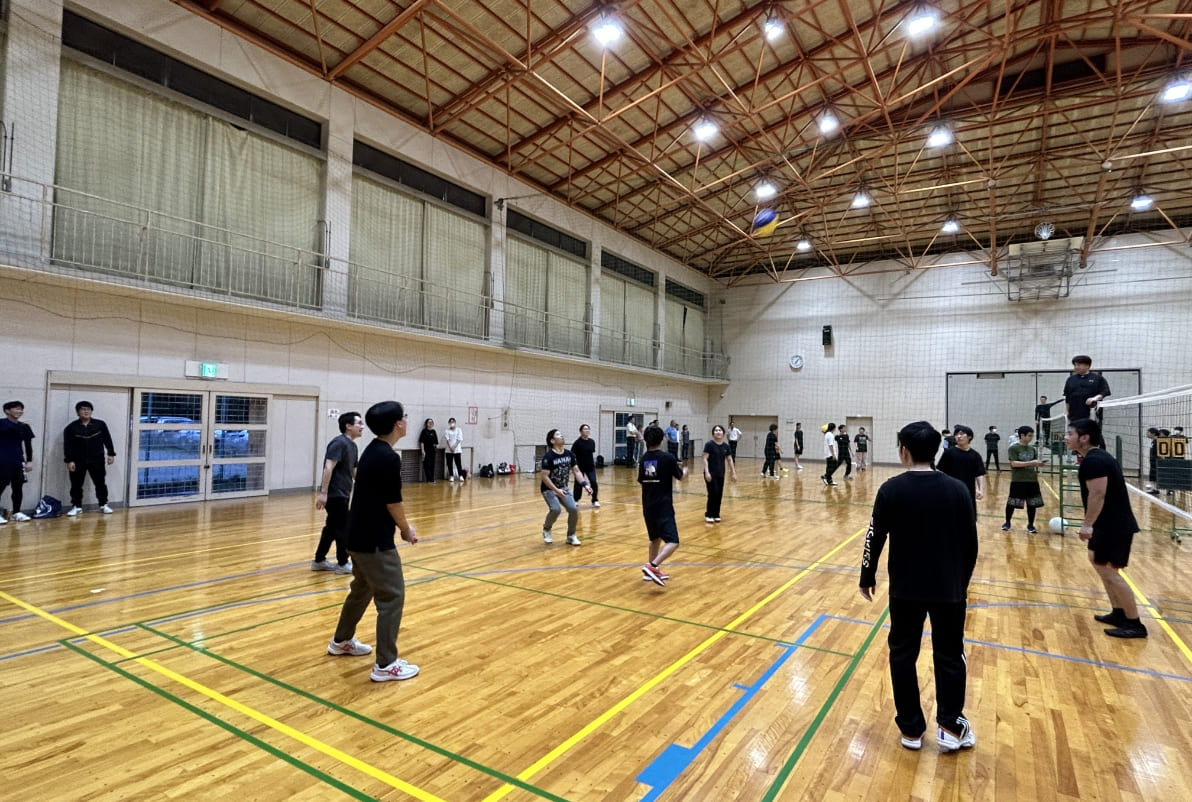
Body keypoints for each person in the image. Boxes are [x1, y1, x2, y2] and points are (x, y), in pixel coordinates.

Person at [859, 421, 978, 752]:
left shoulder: (891, 489)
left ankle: (911, 729)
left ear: (903, 451)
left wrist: (867, 576)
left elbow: (874, 536)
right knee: (950, 654)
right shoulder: (958, 490)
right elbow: (971, 543)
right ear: (937, 450)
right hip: (948, 590)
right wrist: (962, 582)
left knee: (902, 654)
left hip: (905, 590)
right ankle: (950, 727)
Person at [325, 400, 421, 682]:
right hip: (374, 540)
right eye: (404, 417)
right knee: (392, 596)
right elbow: (393, 502)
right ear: (398, 424)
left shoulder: (372, 450)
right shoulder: (388, 457)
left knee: (361, 589)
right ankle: (386, 664)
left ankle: (341, 640)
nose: (406, 420)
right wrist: (406, 529)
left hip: (356, 535)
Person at [1065, 418, 1146, 638]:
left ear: (1084, 438)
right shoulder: (1094, 458)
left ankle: (1135, 624)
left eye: (1070, 434)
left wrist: (1087, 525)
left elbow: (1097, 494)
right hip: (1107, 524)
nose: (1066, 438)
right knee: (1097, 562)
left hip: (1113, 526)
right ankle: (1118, 613)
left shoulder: (1095, 461)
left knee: (1110, 572)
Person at [313, 411, 363, 574]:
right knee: (343, 527)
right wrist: (323, 493)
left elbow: (354, 471)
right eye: (359, 423)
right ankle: (342, 563)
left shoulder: (353, 446)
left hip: (344, 492)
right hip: (335, 494)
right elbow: (328, 467)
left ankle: (319, 560)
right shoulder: (338, 443)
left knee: (332, 527)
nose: (362, 427)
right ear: (348, 426)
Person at [639, 425, 689, 585]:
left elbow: (642, 481)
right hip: (663, 505)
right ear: (662, 439)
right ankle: (652, 566)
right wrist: (685, 471)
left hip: (647, 505)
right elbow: (680, 477)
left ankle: (649, 574)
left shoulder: (643, 459)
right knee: (673, 541)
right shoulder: (668, 458)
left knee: (655, 539)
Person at [64, 401, 116, 516]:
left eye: (88, 409)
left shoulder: (100, 424)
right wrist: (69, 460)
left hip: (97, 459)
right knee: (76, 485)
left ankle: (103, 504)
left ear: (91, 411)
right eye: (83, 409)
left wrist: (111, 454)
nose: (86, 411)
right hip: (78, 460)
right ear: (78, 412)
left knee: (100, 483)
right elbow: (68, 446)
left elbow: (107, 439)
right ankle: (77, 506)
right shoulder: (71, 427)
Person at [539, 428, 590, 545]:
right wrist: (556, 491)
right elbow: (544, 477)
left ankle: (571, 536)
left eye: (561, 434)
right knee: (556, 509)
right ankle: (546, 529)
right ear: (552, 440)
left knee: (573, 509)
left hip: (564, 488)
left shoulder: (569, 454)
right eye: (558, 435)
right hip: (549, 489)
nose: (562, 436)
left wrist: (585, 485)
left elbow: (576, 471)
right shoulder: (548, 457)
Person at [1002, 426, 1046, 533]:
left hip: (1032, 480)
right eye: (1029, 435)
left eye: (1032, 436)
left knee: (1032, 504)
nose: (1031, 438)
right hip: (1018, 480)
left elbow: (1034, 463)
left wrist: (1039, 464)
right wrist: (1031, 462)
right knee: (1012, 502)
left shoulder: (1032, 449)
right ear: (1022, 435)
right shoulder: (1013, 448)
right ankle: (1007, 522)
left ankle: (1031, 525)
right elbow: (1014, 463)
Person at [936, 424, 986, 516]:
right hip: (950, 491)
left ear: (969, 437)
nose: (959, 436)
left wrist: (980, 489)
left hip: (968, 491)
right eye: (956, 434)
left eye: (962, 434)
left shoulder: (975, 455)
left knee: (968, 516)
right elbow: (941, 472)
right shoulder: (949, 453)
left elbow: (979, 474)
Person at [0, 401, 35, 523]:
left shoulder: (24, 427)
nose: (19, 411)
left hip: (18, 461)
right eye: (16, 409)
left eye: (21, 409)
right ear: (7, 411)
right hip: (2, 461)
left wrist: (29, 461)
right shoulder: (1, 423)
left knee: (18, 487)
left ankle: (17, 512)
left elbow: (28, 445)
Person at [702, 424, 736, 523]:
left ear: (723, 433)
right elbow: (705, 458)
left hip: (720, 473)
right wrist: (707, 472)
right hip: (710, 473)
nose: (718, 432)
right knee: (713, 493)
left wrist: (733, 472)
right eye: (716, 430)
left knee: (719, 494)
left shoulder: (726, 446)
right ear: (713, 433)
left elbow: (729, 459)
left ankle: (716, 514)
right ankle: (709, 514)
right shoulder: (709, 444)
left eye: (720, 430)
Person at [1064, 355, 1110, 423]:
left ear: (1087, 366)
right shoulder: (1070, 379)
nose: (1076, 367)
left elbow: (1105, 392)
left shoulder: (1098, 378)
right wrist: (1067, 411)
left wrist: (1094, 398)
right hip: (1074, 416)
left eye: (1079, 365)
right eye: (1075, 365)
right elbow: (1067, 397)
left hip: (1093, 414)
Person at [571, 423, 600, 508]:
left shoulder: (592, 442)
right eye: (585, 429)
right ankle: (575, 500)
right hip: (580, 467)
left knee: (593, 482)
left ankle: (595, 500)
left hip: (590, 466)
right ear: (580, 431)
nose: (587, 430)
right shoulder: (577, 443)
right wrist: (574, 466)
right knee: (578, 483)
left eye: (588, 429)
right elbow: (572, 455)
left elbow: (591, 453)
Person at [443, 417, 465, 482]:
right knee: (449, 463)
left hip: (457, 450)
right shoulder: (447, 431)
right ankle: (451, 476)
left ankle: (460, 476)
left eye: (453, 422)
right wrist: (450, 447)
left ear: (455, 423)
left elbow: (459, 439)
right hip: (448, 450)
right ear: (448, 423)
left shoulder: (459, 430)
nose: (451, 423)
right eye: (450, 422)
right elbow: (447, 440)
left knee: (458, 463)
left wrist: (454, 447)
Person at [418, 418, 438, 482]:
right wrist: (422, 450)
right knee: (427, 464)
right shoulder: (424, 431)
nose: (430, 423)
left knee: (432, 464)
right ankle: (429, 479)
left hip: (432, 450)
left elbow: (436, 442)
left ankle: (432, 478)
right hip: (426, 450)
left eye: (431, 422)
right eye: (429, 422)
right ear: (426, 424)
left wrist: (435, 448)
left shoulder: (434, 431)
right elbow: (422, 442)